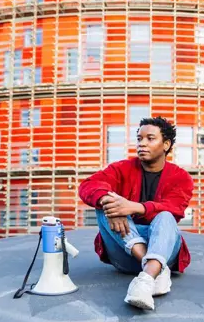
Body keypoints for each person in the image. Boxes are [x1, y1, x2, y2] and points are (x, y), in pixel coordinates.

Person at [79, 116, 194, 310]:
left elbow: (175, 209)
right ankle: (155, 269)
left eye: (150, 138)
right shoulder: (122, 168)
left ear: (166, 145)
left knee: (165, 216)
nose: (142, 144)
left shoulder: (181, 178)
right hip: (125, 253)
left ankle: (145, 281)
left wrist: (132, 207)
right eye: (139, 138)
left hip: (164, 249)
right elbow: (89, 185)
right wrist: (112, 204)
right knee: (105, 203)